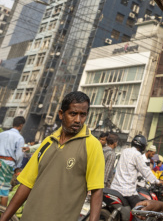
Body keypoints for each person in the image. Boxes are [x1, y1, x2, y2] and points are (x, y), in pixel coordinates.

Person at [0, 91, 105, 221]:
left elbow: (97, 192)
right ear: (61, 114)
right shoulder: (48, 141)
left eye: (82, 115)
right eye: (73, 114)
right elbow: (26, 184)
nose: (78, 120)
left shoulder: (92, 145)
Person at [109, 134, 160, 209]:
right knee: (140, 211)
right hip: (127, 191)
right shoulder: (137, 155)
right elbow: (145, 171)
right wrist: (157, 182)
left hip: (115, 187)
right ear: (143, 146)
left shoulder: (124, 151)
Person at [0, 116, 25, 207]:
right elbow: (19, 155)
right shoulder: (19, 138)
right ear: (21, 125)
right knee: (4, 191)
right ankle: (3, 216)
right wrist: (17, 167)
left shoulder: (2, 134)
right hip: (7, 164)